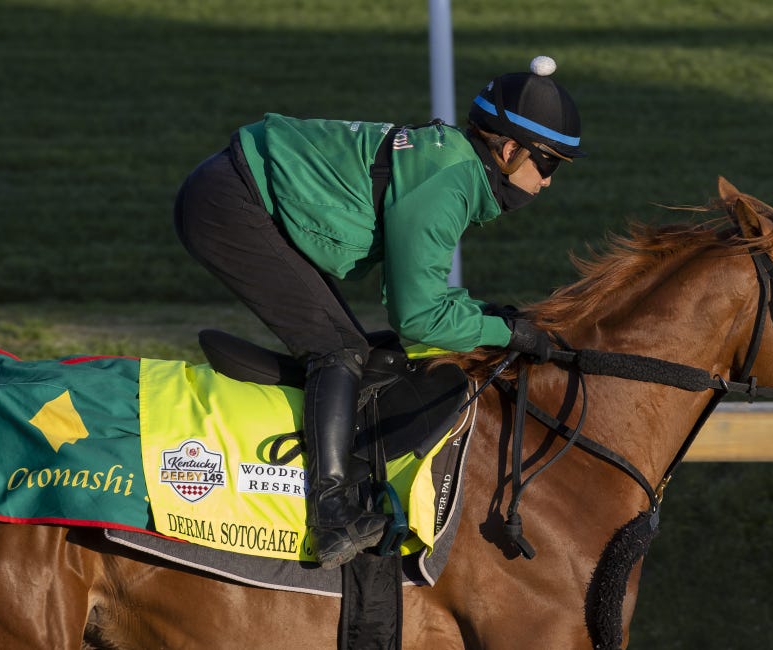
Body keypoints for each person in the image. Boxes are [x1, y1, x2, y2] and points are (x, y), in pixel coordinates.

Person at [173, 55, 584, 570]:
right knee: (338, 350)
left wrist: (491, 317)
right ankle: (331, 517)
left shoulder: (451, 164)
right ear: (508, 149)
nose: (548, 182)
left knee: (348, 351)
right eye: (547, 165)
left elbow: (424, 300)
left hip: (243, 190)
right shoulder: (446, 183)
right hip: (231, 203)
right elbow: (418, 320)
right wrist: (506, 334)